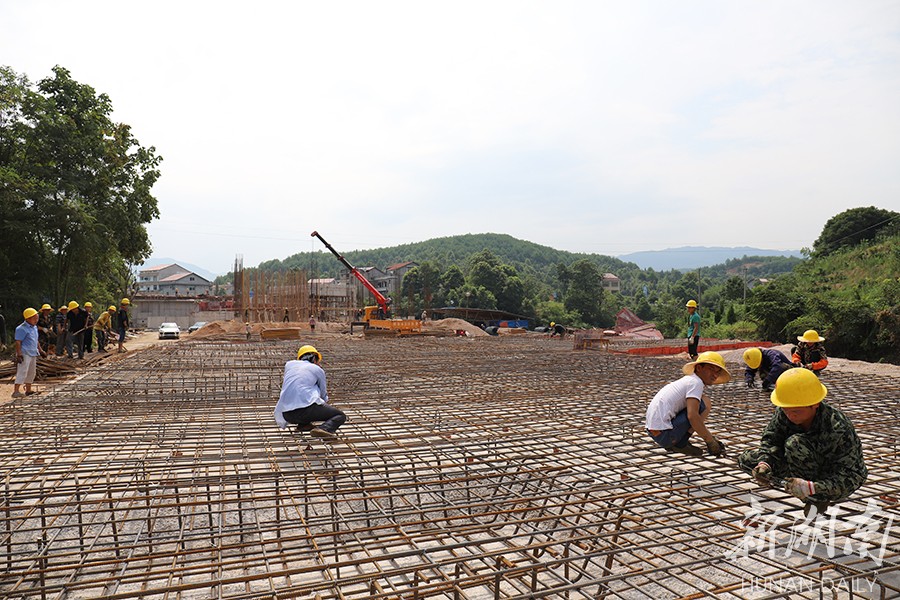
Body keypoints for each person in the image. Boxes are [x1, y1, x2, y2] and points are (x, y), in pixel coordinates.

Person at [737, 367, 867, 516]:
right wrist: (764, 464)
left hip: (833, 475)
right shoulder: (784, 412)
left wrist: (813, 488)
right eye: (786, 408)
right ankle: (794, 484)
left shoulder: (837, 427)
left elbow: (851, 475)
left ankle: (816, 499)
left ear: (815, 404)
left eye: (796, 410)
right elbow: (771, 440)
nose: (790, 414)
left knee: (794, 444)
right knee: (747, 460)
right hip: (800, 461)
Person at [645, 351, 730, 457]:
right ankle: (680, 443)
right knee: (705, 404)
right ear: (699, 368)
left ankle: (678, 441)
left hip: (654, 431)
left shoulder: (689, 380)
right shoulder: (696, 383)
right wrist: (710, 441)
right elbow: (692, 416)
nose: (715, 375)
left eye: (718, 372)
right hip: (665, 435)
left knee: (701, 400)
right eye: (711, 369)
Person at [273, 345, 346, 440]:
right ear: (315, 359)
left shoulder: (289, 365)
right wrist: (324, 406)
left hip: (286, 414)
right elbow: (323, 394)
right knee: (340, 415)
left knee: (306, 392)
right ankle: (324, 429)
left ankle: (303, 425)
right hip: (306, 411)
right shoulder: (317, 369)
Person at [13, 308, 46, 398]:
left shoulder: (34, 327)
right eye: (35, 318)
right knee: (22, 371)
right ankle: (16, 391)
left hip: (33, 352)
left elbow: (36, 339)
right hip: (25, 353)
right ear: (28, 318)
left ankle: (28, 390)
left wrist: (40, 350)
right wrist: (19, 354)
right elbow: (18, 342)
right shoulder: (21, 328)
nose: (36, 320)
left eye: (37, 318)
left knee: (32, 372)